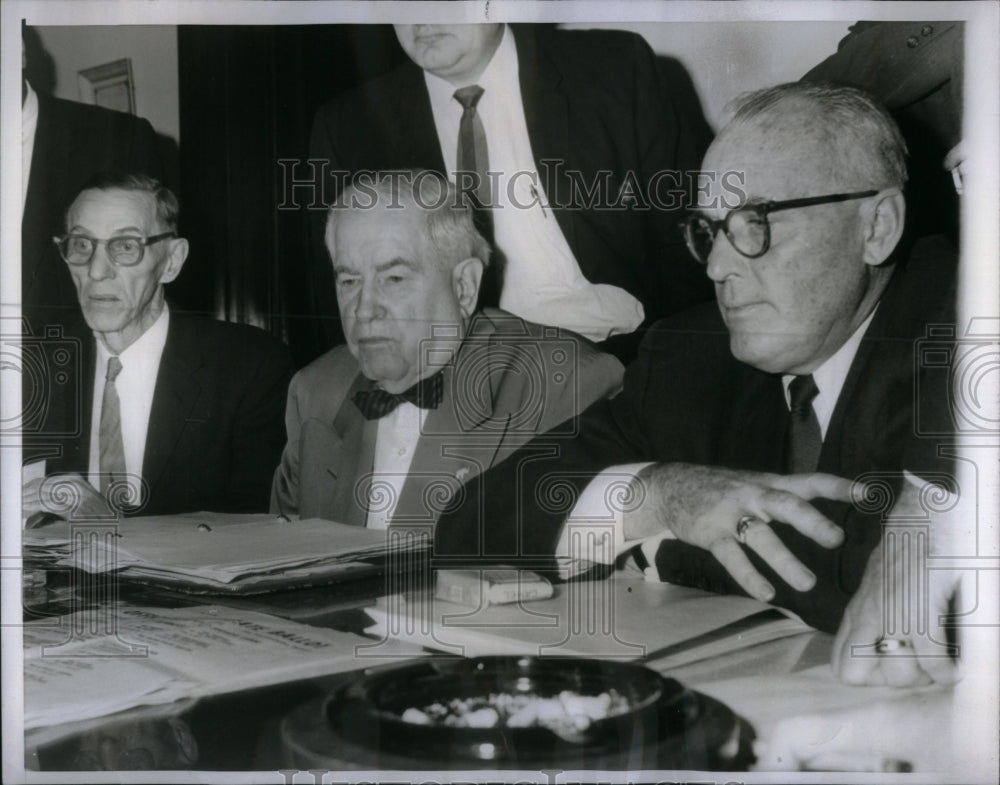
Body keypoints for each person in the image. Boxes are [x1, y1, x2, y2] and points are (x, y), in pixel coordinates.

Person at [433, 82, 957, 634]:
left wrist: (661, 553)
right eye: (710, 231)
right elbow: (473, 525)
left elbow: (892, 603)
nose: (716, 268)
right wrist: (660, 498)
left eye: (757, 223)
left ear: (876, 227)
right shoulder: (691, 355)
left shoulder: (963, 334)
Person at [308, 23, 713, 362]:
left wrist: (662, 365)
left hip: (619, 353)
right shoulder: (349, 127)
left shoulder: (614, 69)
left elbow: (685, 246)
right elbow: (344, 307)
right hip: (449, 376)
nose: (422, 14)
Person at [270, 172, 624, 528]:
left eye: (394, 278)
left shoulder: (565, 384)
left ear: (464, 287)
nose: (363, 309)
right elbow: (273, 563)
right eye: (349, 281)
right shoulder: (314, 391)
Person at [22, 173, 294, 519]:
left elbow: (255, 535)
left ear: (171, 261)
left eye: (125, 247)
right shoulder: (30, 364)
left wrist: (105, 521)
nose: (96, 271)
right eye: (81, 245)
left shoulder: (248, 366)